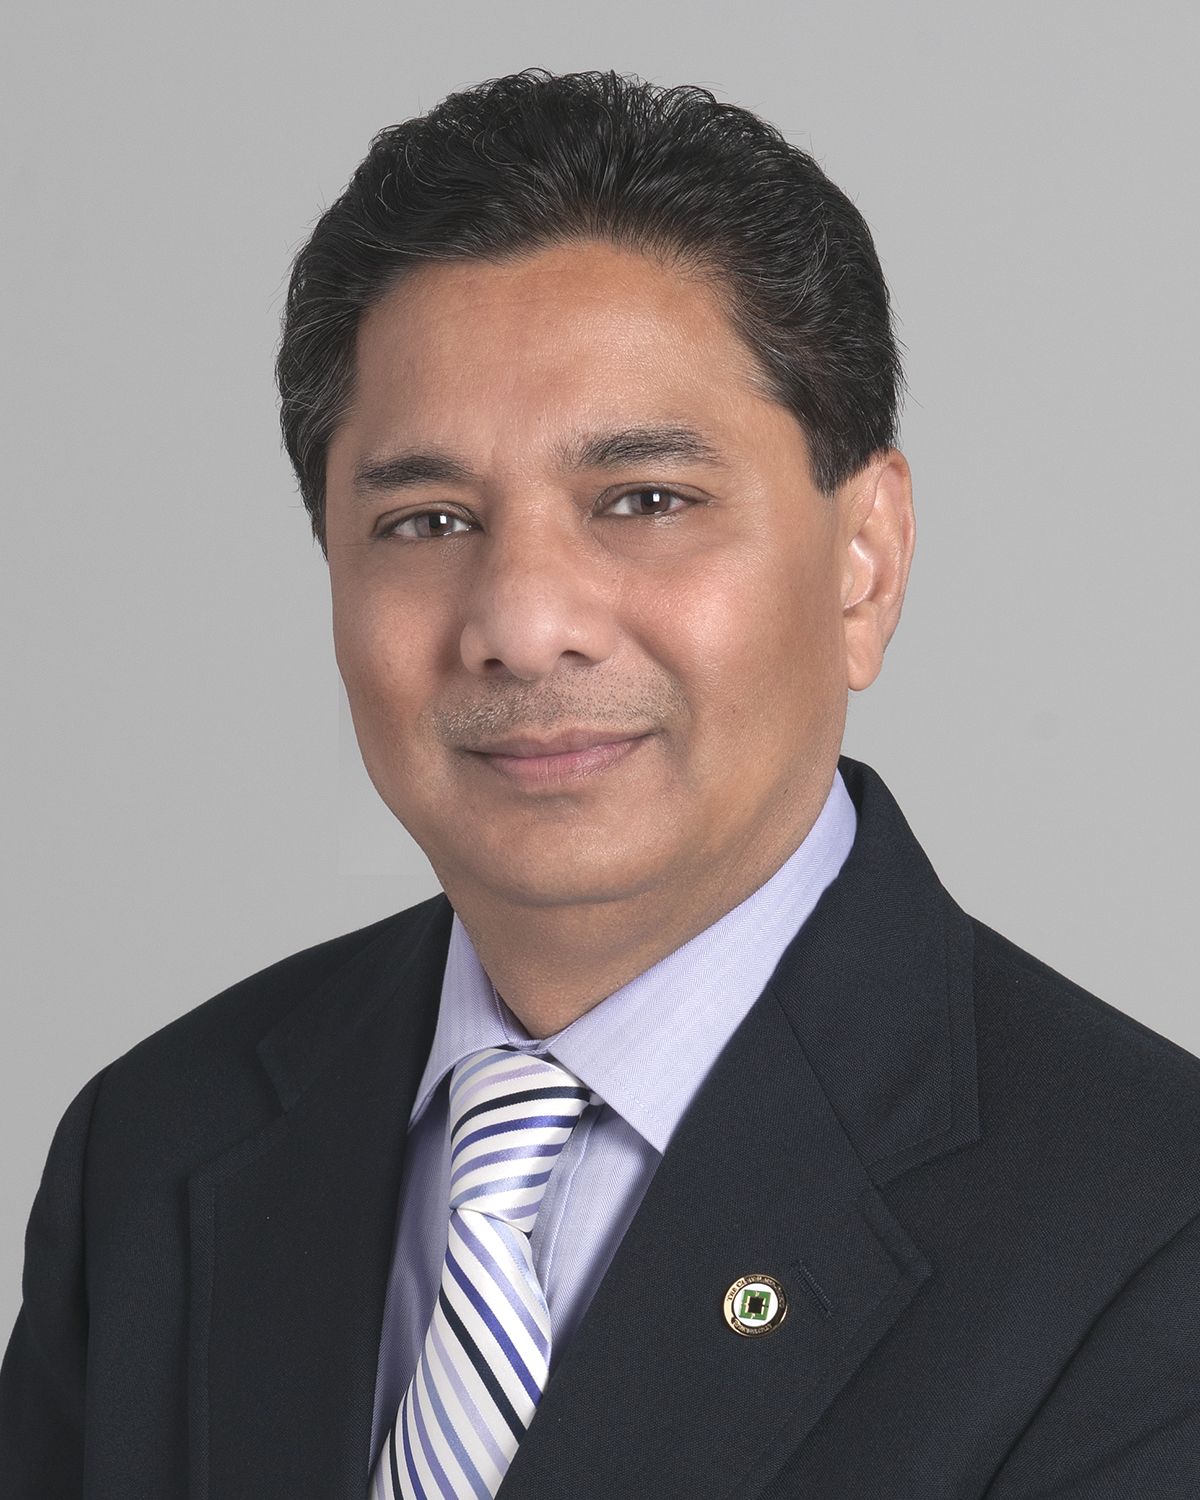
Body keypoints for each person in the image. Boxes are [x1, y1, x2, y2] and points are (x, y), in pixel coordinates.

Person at [2, 66, 1198, 1500]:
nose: (521, 622)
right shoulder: (155, 1148)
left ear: (865, 560)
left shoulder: (1151, 1234)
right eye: (426, 519)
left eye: (645, 501)